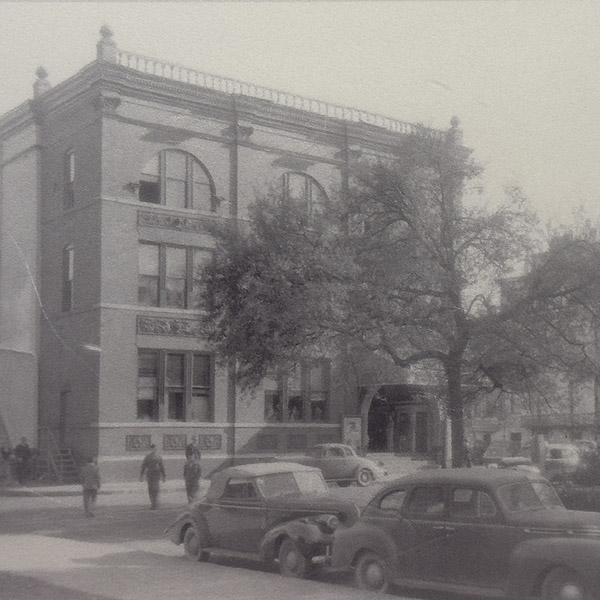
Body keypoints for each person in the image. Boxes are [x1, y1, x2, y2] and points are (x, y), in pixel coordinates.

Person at [140, 444, 166, 509]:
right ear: (150, 449)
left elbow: (162, 466)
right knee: (150, 489)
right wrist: (141, 475)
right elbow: (143, 466)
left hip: (156, 474)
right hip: (149, 474)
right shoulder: (147, 457)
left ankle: (156, 503)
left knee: (156, 488)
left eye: (155, 449)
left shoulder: (158, 457)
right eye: (153, 449)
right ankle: (153, 503)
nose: (154, 450)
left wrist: (164, 475)